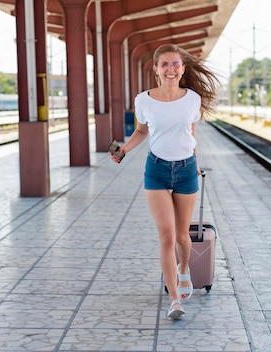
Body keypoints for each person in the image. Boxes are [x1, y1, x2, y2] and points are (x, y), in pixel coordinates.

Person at [109, 44, 219, 319]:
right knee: (167, 236)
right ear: (156, 69)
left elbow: (190, 133)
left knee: (183, 235)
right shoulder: (143, 100)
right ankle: (174, 300)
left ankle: (184, 269)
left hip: (185, 170)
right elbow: (141, 130)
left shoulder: (192, 99)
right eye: (165, 64)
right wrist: (123, 149)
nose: (171, 69)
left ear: (182, 68)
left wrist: (195, 164)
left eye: (176, 64)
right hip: (156, 170)